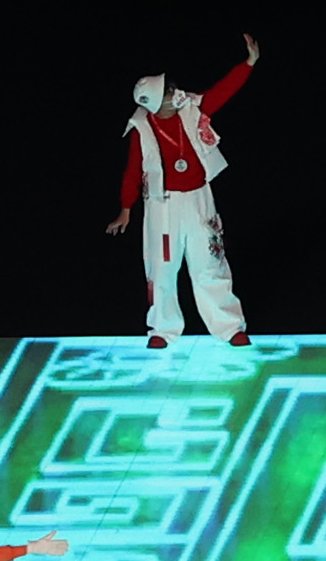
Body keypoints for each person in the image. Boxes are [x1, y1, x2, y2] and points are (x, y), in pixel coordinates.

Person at [106, 35, 260, 346]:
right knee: (163, 267)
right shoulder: (141, 129)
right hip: (163, 206)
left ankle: (229, 327)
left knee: (210, 262)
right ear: (154, 104)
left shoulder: (191, 109)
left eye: (173, 89)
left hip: (199, 198)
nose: (176, 95)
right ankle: (163, 329)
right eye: (168, 94)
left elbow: (221, 92)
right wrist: (126, 208)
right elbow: (133, 170)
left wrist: (248, 64)